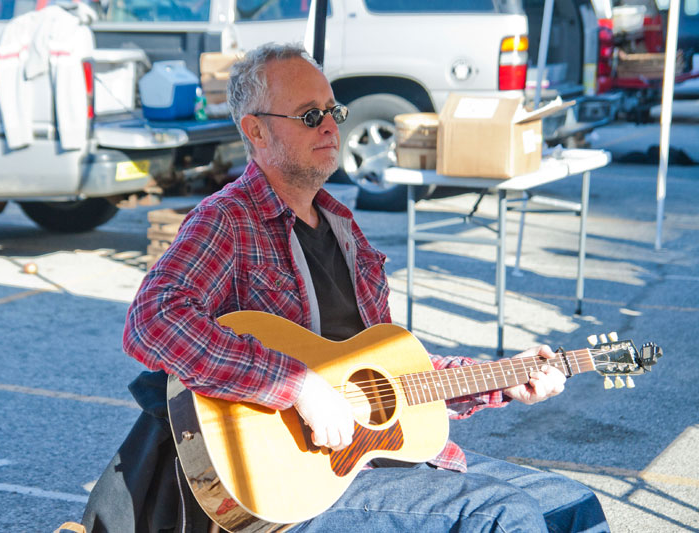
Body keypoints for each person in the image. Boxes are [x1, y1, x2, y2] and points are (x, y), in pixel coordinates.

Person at [122, 42, 609, 532]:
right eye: (310, 115)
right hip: (297, 488)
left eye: (333, 110)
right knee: (503, 515)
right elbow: (151, 322)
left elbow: (392, 373)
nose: (331, 125)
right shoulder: (227, 220)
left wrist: (502, 377)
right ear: (256, 129)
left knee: (573, 505)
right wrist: (297, 386)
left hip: (380, 460)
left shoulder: (343, 227)